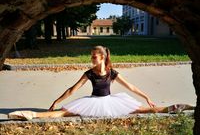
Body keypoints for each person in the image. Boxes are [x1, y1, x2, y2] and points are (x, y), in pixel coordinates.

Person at [8, 45, 194, 120]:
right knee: (62, 113)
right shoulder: (89, 73)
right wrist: (56, 101)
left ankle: (175, 107)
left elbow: (130, 86)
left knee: (143, 109)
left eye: (95, 57)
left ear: (103, 57)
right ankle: (30, 114)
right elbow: (72, 89)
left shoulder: (112, 72)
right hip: (92, 101)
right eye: (91, 57)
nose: (92, 60)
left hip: (111, 101)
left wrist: (146, 96)